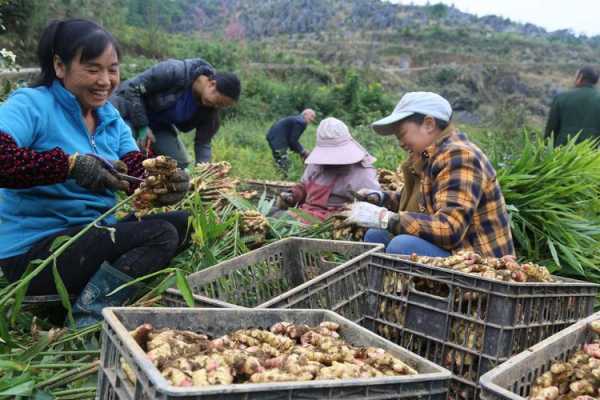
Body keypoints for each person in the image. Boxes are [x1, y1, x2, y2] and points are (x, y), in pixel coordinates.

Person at [0, 19, 191, 327]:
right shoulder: (32, 105)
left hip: (90, 241)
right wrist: (69, 166)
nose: (105, 80)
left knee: (184, 224)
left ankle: (85, 298)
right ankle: (86, 322)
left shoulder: (109, 117)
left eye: (112, 69)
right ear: (60, 66)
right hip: (39, 256)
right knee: (159, 235)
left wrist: (165, 182)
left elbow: (136, 171)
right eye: (92, 69)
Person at [344, 92, 515, 258]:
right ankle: (386, 287)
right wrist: (379, 198)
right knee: (376, 236)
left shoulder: (460, 156)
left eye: (402, 134)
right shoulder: (430, 156)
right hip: (454, 250)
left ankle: (402, 287)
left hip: (477, 262)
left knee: (402, 246)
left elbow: (450, 229)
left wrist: (386, 218)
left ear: (428, 124)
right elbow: (419, 204)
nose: (401, 144)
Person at [110, 58, 241, 168]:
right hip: (129, 111)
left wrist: (205, 172)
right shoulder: (175, 71)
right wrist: (142, 126)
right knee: (123, 142)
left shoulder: (209, 110)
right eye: (218, 101)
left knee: (180, 164)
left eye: (221, 106)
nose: (216, 106)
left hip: (157, 126)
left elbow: (203, 143)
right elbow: (132, 88)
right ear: (212, 84)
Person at [275, 117, 380, 221]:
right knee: (272, 215)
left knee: (282, 219)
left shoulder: (362, 172)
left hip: (332, 222)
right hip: (304, 214)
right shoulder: (317, 164)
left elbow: (371, 208)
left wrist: (342, 215)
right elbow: (304, 186)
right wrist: (293, 195)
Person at [545, 65, 600, 146]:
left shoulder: (561, 97)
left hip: (562, 151)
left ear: (580, 77)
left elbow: (551, 129)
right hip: (591, 154)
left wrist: (544, 149)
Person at [266, 109, 316, 177]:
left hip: (272, 136)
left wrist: (300, 151)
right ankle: (283, 181)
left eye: (314, 117)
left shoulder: (296, 119)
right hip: (278, 139)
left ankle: (277, 178)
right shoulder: (301, 122)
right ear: (305, 114)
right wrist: (302, 151)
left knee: (279, 162)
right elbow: (293, 140)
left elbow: (291, 140)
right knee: (284, 163)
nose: (313, 119)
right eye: (312, 116)